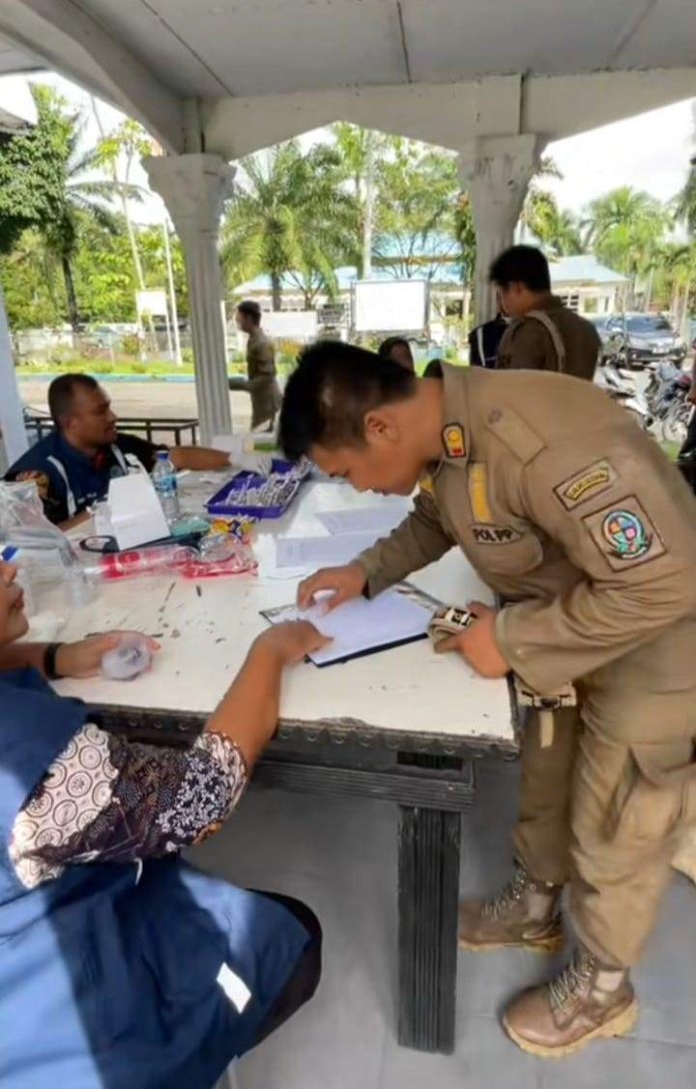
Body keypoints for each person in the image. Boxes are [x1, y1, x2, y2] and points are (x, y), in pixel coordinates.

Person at [277, 341, 696, 1059]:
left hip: (654, 644)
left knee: (617, 821)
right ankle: (536, 909)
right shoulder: (449, 437)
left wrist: (510, 636)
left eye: (348, 474)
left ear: (380, 428)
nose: (362, 490)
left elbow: (665, 583)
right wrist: (363, 571)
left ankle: (603, 990)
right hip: (570, 627)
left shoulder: (543, 441)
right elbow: (444, 518)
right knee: (548, 777)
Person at [0, 557, 327, 1088]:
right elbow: (202, 794)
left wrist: (58, 657)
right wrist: (268, 653)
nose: (10, 571)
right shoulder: (22, 768)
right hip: (68, 1028)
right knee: (294, 932)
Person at [5, 374, 234, 528]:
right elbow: (31, 542)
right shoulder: (36, 474)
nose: (113, 417)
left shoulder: (118, 447)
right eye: (101, 411)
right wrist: (105, 511)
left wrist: (238, 459)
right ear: (70, 422)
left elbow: (179, 456)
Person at [491, 246, 600, 379]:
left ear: (516, 288)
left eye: (501, 293)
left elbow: (511, 391)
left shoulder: (526, 331)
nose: (502, 301)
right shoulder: (586, 329)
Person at [230, 300, 282, 431]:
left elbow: (266, 377)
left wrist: (237, 384)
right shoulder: (253, 340)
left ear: (249, 318)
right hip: (261, 400)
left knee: (262, 443)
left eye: (239, 318)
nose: (238, 322)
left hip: (268, 403)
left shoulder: (261, 343)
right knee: (260, 442)